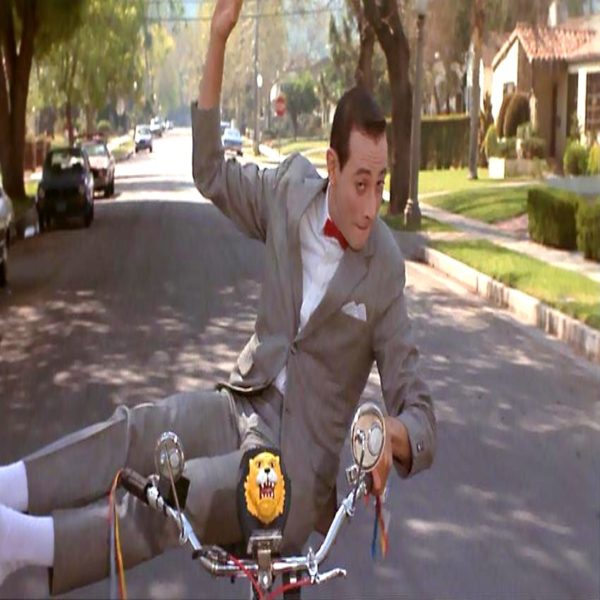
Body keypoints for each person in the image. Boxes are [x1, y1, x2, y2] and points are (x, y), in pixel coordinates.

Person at [0, 0, 435, 594]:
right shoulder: (289, 192)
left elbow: (420, 410)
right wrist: (217, 41)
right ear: (331, 166)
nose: (371, 205)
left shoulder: (384, 266)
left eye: (380, 185)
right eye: (361, 183)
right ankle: (12, 486)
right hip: (240, 407)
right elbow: (209, 170)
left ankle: (25, 545)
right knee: (143, 431)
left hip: (293, 471)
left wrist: (391, 434)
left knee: (187, 491)